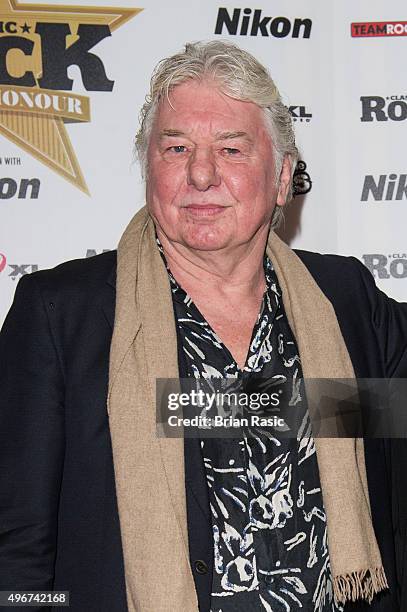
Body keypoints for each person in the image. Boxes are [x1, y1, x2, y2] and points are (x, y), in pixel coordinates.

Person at [0, 40, 406, 612]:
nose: (200, 173)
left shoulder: (344, 302)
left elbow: (386, 432)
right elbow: (15, 547)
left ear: (283, 176)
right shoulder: (63, 315)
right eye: (175, 147)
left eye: (232, 149)